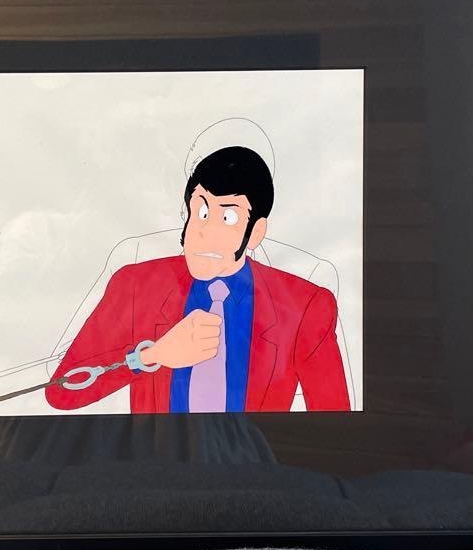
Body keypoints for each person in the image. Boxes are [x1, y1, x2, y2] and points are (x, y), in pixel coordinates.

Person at [46, 146, 350, 413]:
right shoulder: (136, 286)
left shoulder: (305, 306)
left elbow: (336, 423)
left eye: (228, 218)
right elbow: (62, 391)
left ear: (256, 232)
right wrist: (152, 355)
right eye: (202, 211)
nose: (205, 233)